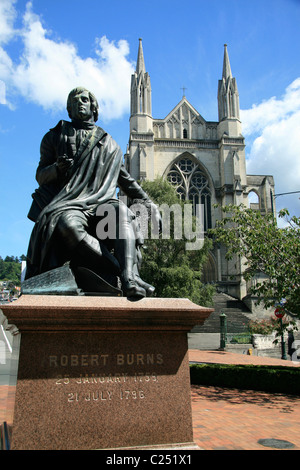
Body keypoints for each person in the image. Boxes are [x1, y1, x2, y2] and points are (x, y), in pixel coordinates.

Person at [25, 87, 161, 299]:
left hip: (100, 203)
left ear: (93, 107)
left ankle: (128, 280)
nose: (80, 103)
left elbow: (125, 179)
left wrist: (148, 202)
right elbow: (40, 175)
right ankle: (119, 268)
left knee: (121, 212)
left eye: (85, 99)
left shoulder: (109, 144)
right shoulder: (53, 137)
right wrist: (56, 169)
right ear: (69, 109)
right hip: (69, 203)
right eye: (75, 101)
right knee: (67, 226)